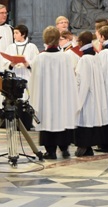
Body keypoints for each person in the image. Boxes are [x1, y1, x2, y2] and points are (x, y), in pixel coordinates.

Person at [30, 26, 81, 160]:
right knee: (62, 119)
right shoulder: (65, 57)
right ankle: (64, 149)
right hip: (62, 97)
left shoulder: (39, 59)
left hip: (46, 99)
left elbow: (33, 81)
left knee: (48, 121)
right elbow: (70, 80)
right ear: (58, 40)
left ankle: (50, 151)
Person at [74, 31, 107, 157]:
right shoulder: (95, 57)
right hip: (95, 95)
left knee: (85, 121)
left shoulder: (84, 59)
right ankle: (88, 148)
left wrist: (78, 101)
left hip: (87, 97)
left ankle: (83, 147)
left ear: (81, 42)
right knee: (90, 121)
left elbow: (82, 82)